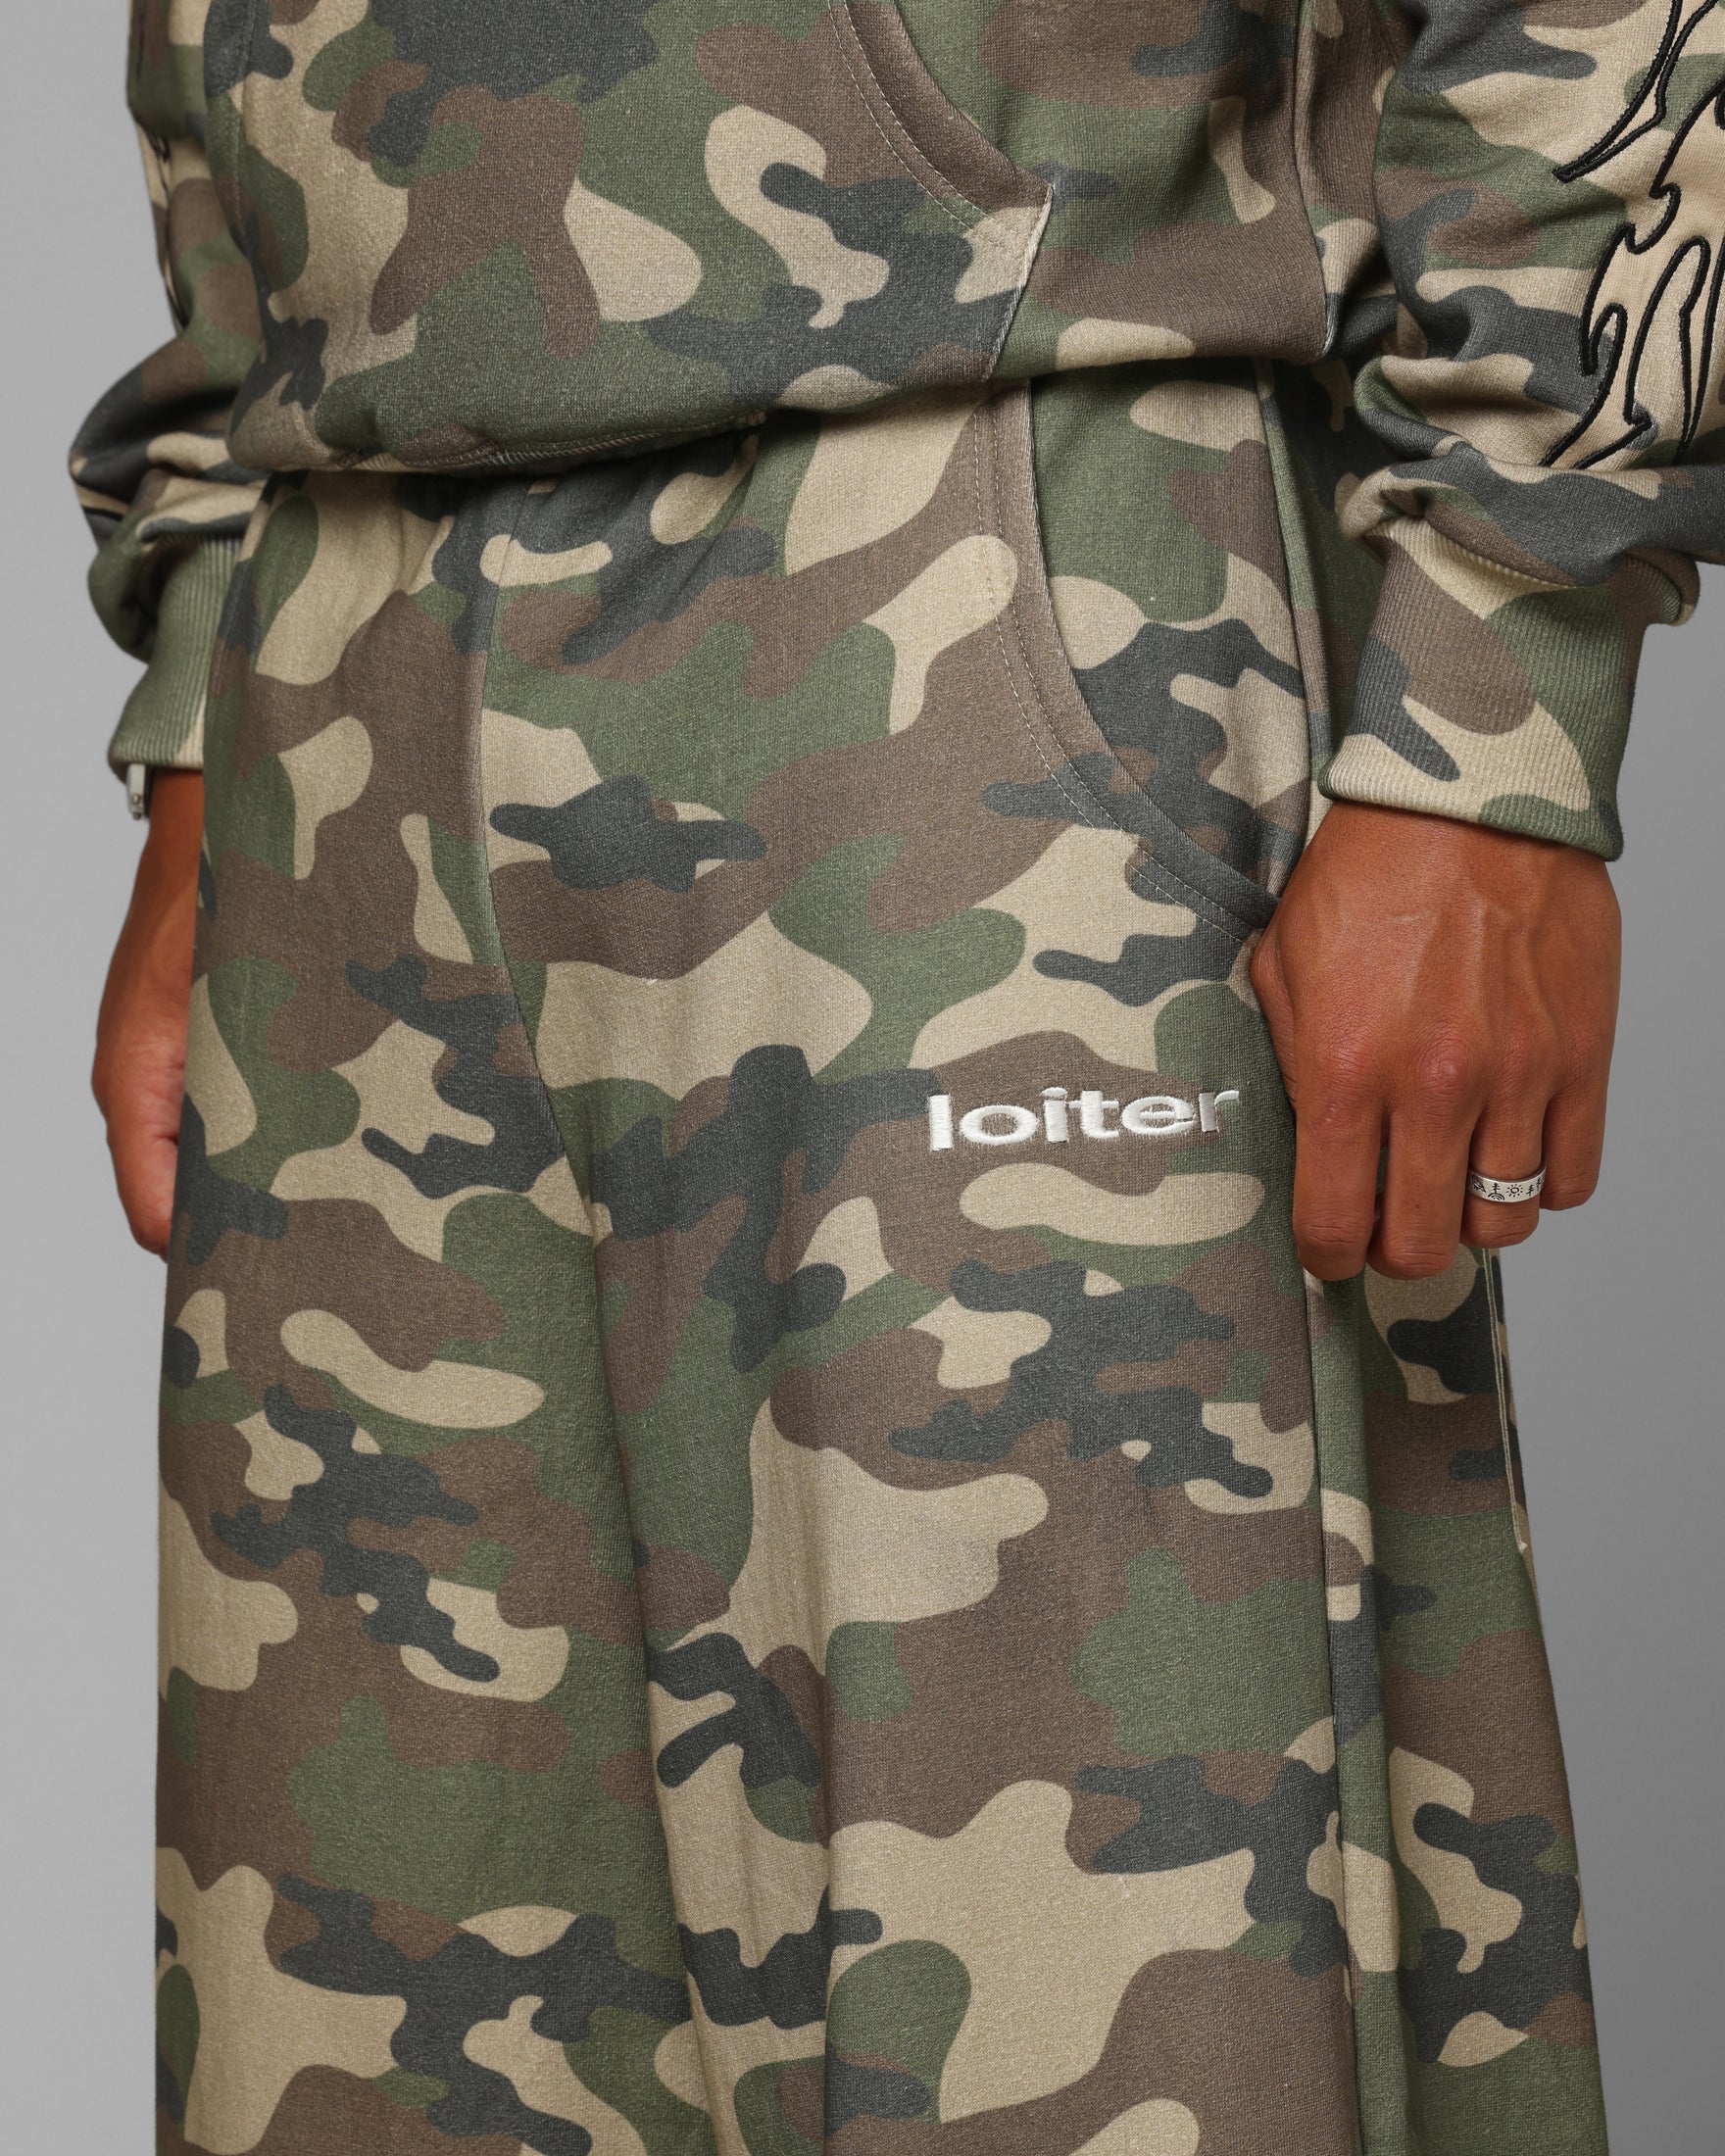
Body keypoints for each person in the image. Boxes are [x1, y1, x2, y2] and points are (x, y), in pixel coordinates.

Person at [76, 4, 1720, 2151]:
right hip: (341, 622)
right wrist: (207, 688)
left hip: (1001, 529)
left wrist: (1496, 691)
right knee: (375, 2026)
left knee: (1101, 2013)